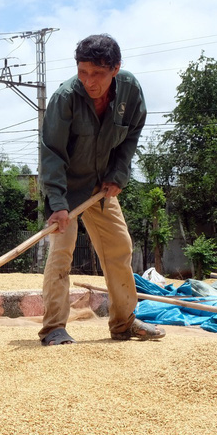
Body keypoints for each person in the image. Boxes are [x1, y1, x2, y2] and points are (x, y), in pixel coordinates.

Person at [38, 33, 164, 346]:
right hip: (65, 187)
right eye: (83, 72)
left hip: (99, 187)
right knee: (61, 253)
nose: (89, 81)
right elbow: (50, 152)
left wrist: (118, 173)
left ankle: (124, 324)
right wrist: (57, 202)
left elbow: (131, 135)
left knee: (120, 248)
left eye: (97, 73)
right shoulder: (65, 98)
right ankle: (54, 328)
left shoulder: (130, 91)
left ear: (115, 69)